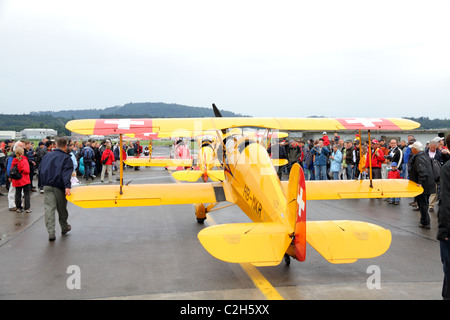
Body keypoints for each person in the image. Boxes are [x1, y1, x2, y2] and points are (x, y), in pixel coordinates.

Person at [39, 138, 73, 241]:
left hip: (47, 185)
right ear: (65, 146)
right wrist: (67, 186)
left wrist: (41, 185)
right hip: (59, 186)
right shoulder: (66, 158)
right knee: (61, 208)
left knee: (49, 208)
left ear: (56, 145)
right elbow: (66, 174)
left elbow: (41, 170)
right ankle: (64, 227)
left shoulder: (47, 156)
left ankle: (51, 232)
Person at [409, 141, 436, 229]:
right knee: (424, 204)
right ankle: (424, 221)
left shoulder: (419, 158)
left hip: (424, 186)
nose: (411, 150)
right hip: (429, 184)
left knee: (423, 204)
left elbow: (422, 172)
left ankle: (425, 222)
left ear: (415, 149)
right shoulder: (425, 156)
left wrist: (420, 183)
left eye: (412, 148)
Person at [437, 133, 450, 300]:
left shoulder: (447, 168)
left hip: (449, 227)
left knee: (448, 266)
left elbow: (446, 200)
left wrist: (443, 230)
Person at [11, 147, 31, 213]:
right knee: (26, 194)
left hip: (16, 179)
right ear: (22, 153)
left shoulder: (14, 160)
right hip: (24, 179)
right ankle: (27, 208)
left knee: (17, 194)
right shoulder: (24, 160)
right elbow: (27, 170)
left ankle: (18, 208)